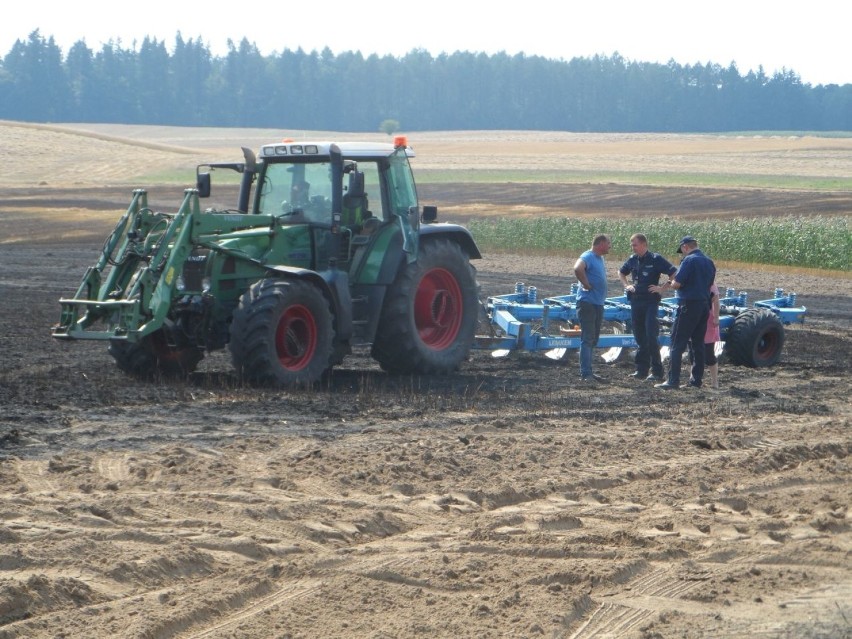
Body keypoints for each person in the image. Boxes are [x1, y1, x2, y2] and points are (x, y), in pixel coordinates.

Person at [649, 236, 716, 390]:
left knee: (677, 343)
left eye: (682, 251)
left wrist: (670, 283)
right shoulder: (709, 262)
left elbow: (678, 283)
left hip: (688, 305)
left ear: (685, 247)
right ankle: (696, 381)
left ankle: (673, 380)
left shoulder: (689, 260)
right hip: (704, 305)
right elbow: (710, 284)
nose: (683, 254)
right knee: (698, 344)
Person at [618, 233, 677, 382]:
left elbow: (674, 273)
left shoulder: (656, 259)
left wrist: (662, 288)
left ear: (644, 245)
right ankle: (641, 370)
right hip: (636, 301)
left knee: (651, 335)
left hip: (650, 301)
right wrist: (627, 285)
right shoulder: (632, 259)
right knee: (639, 336)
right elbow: (621, 272)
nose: (633, 247)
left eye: (635, 245)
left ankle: (657, 371)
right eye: (632, 245)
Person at [573, 234, 612, 383]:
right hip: (587, 303)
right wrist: (585, 284)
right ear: (601, 244)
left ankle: (589, 371)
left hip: (597, 303)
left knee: (593, 339)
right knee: (587, 338)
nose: (610, 246)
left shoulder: (600, 258)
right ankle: (586, 374)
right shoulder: (587, 256)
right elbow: (577, 268)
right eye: (608, 243)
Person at [705, 282, 721, 389]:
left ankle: (715, 382)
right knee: (693, 352)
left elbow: (716, 299)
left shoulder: (710, 283)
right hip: (695, 319)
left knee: (709, 353)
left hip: (708, 321)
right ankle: (694, 379)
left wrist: (716, 317)